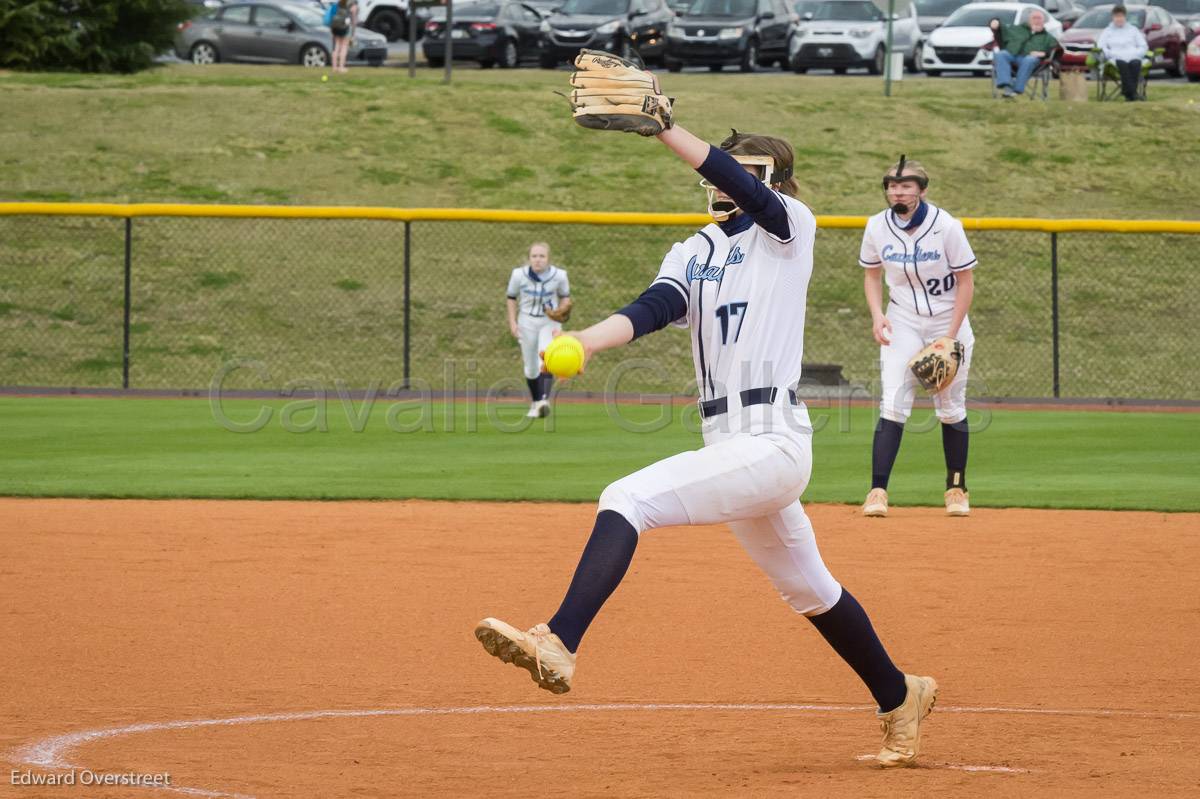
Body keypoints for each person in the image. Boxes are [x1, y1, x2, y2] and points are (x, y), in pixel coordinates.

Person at [476, 89, 939, 765]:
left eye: (746, 169)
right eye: (725, 166)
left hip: (774, 438)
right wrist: (586, 340)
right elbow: (652, 308)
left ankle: (560, 641)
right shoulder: (691, 251)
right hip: (730, 444)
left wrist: (667, 128)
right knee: (810, 589)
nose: (724, 177)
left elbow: (746, 191)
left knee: (627, 497)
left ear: (771, 182)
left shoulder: (791, 230)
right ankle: (902, 693)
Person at [858, 157, 976, 519]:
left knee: (950, 407)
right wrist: (878, 315)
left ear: (921, 190)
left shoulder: (947, 227)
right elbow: (872, 275)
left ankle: (956, 488)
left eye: (906, 185)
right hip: (902, 320)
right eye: (892, 185)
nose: (898, 190)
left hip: (947, 319)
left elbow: (966, 282)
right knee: (892, 402)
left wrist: (950, 338)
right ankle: (877, 491)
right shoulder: (877, 226)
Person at [506, 242, 571, 418]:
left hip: (549, 322)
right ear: (529, 258)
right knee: (530, 367)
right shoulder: (518, 275)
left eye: (542, 256)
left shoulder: (559, 275)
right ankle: (536, 403)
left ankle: (543, 399)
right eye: (534, 256)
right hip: (526, 321)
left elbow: (565, 297)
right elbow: (511, 298)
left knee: (546, 357)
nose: (538, 260)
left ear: (548, 259)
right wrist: (512, 322)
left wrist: (563, 309)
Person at [988, 10, 1058, 98]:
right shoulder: (1017, 29)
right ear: (1029, 20)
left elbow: (1057, 50)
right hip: (1013, 55)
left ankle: (1017, 89)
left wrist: (1044, 54)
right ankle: (1007, 85)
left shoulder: (1048, 37)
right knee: (1001, 54)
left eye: (1039, 18)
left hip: (1032, 61)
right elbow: (1001, 29)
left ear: (1043, 21)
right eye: (1034, 18)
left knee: (1029, 59)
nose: (1037, 20)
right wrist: (995, 22)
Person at [1097, 5, 1149, 101]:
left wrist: (1137, 53)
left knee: (1136, 63)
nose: (1119, 19)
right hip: (1116, 57)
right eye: (1117, 16)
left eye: (1121, 16)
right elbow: (1101, 46)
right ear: (1113, 18)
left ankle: (1128, 93)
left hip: (1133, 55)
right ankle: (1133, 94)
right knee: (1122, 64)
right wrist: (1109, 53)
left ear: (1125, 17)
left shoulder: (1133, 30)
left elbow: (1143, 46)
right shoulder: (1107, 31)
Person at [329, 0, 358, 74]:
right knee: (344, 46)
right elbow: (354, 19)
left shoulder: (339, 2)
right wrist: (353, 32)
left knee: (337, 46)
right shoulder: (352, 3)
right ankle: (341, 67)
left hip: (336, 26)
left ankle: (334, 67)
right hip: (345, 27)